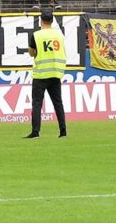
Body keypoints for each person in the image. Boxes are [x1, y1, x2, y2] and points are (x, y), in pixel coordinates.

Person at [26, 10, 68, 139]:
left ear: (41, 20)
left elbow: (32, 53)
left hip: (41, 73)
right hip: (55, 72)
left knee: (37, 103)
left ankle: (35, 132)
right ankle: (63, 131)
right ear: (52, 20)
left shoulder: (36, 35)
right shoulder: (59, 35)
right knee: (58, 102)